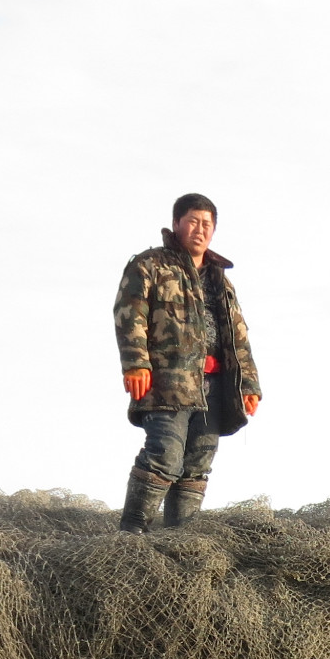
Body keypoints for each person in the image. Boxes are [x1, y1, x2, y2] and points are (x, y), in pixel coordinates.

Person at [111, 193, 261, 531]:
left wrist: (249, 385)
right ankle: (132, 530)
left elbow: (239, 336)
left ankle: (179, 537)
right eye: (193, 221)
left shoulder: (221, 281)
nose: (200, 229)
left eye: (207, 224)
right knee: (164, 453)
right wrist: (136, 363)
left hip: (215, 387)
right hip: (168, 380)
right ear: (177, 223)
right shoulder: (150, 264)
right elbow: (129, 313)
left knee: (197, 464)